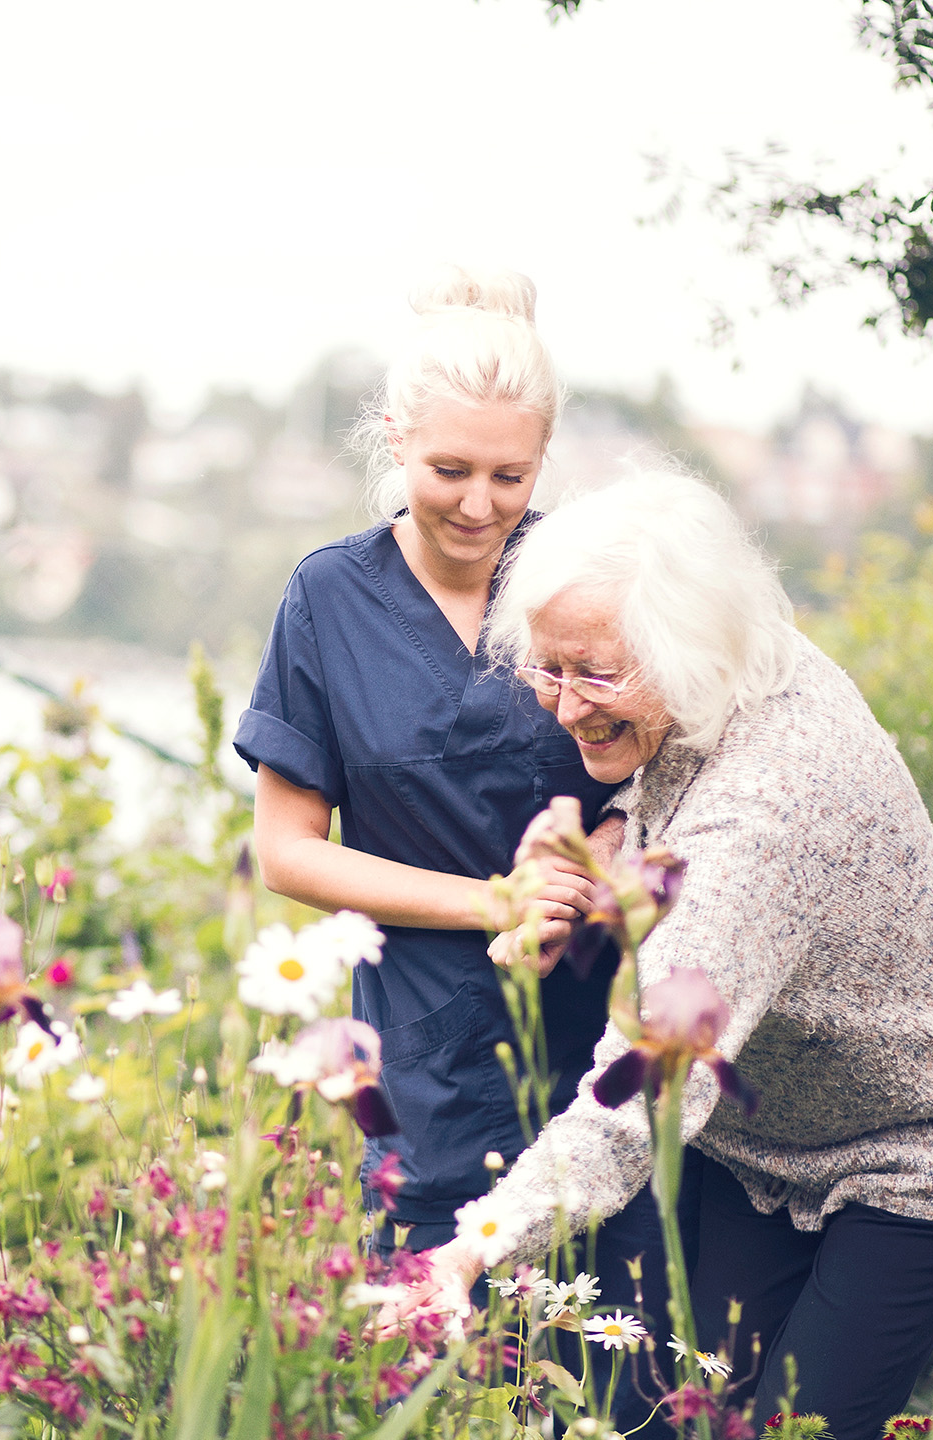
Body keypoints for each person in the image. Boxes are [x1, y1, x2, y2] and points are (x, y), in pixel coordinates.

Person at [388, 470, 933, 1440]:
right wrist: (613, 833)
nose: (564, 707)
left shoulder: (764, 822)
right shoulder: (736, 652)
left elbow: (634, 1102)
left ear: (686, 651)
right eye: (546, 668)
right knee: (689, 1428)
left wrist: (462, 1254)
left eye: (594, 673)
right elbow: (671, 780)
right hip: (771, 1127)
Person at [234, 266, 671, 1344]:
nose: (479, 504)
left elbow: (674, 769)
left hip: (602, 1048)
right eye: (448, 469)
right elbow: (287, 851)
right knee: (431, 1374)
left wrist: (605, 849)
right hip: (422, 1061)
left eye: (509, 474)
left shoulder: (588, 578)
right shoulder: (327, 598)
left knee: (614, 1384)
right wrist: (491, 900)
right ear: (393, 440)